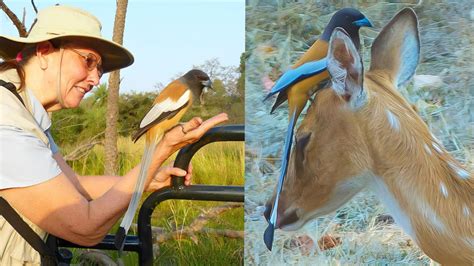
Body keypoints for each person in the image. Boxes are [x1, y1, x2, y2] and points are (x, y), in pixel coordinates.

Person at [0, 5, 228, 265]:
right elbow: (84, 227)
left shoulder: (26, 112)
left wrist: (147, 179)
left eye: (101, 68)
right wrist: (161, 151)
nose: (96, 79)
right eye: (88, 61)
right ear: (43, 52)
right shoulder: (8, 123)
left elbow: (73, 186)